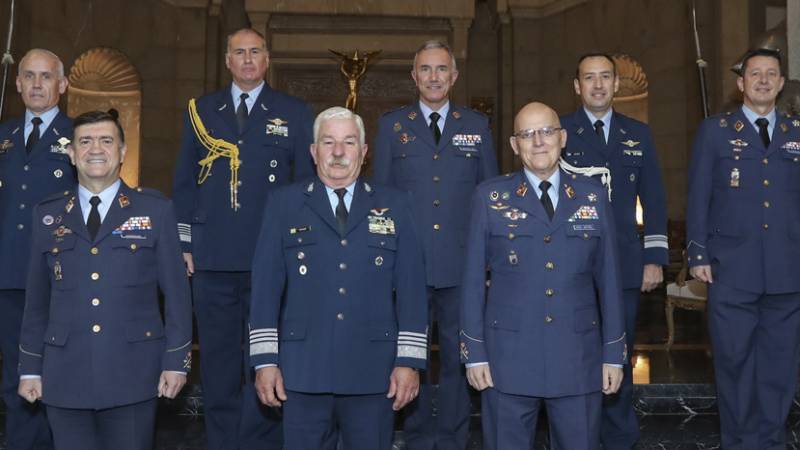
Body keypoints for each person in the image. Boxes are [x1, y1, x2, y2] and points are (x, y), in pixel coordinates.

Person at [250, 106, 428, 450]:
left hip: (374, 372)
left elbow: (412, 289)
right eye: (328, 142)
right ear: (313, 151)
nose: (338, 151)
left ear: (364, 151)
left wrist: (409, 362)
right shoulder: (284, 204)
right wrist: (265, 361)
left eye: (349, 142)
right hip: (302, 371)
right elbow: (265, 289)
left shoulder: (396, 204)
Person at [172, 27, 315, 449]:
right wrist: (184, 244)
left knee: (265, 363)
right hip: (212, 259)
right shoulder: (200, 110)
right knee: (217, 364)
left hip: (270, 261)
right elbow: (184, 183)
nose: (248, 59)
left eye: (255, 52)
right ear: (228, 61)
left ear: (267, 60)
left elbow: (304, 187)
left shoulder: (293, 112)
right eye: (240, 52)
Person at [16, 110, 192, 450]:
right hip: (64, 375)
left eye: (106, 140)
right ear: (71, 154)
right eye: (85, 141)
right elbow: (36, 301)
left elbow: (177, 297)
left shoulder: (155, 211)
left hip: (134, 374)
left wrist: (176, 362)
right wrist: (30, 368)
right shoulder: (47, 215)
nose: (95, 149)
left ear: (123, 151)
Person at [460, 102, 625, 450]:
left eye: (547, 131)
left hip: (578, 357)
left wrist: (613, 354)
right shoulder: (489, 198)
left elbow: (610, 281)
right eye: (527, 134)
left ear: (562, 137)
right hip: (507, 360)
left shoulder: (593, 196)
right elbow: (472, 282)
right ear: (514, 144)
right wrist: (474, 353)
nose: (538, 142)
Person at [372, 40, 498, 450]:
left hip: (462, 267)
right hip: (408, 266)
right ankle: (418, 436)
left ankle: (452, 438)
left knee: (461, 359)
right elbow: (380, 200)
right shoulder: (392, 126)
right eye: (425, 69)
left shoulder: (476, 126)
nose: (433, 77)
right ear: (414, 76)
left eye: (441, 69)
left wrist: (490, 260)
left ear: (454, 76)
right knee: (413, 356)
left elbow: (490, 198)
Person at [686, 48, 800, 449]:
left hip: (787, 272)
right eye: (755, 74)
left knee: (779, 368)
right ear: (741, 83)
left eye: (771, 74)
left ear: (781, 83)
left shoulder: (796, 133)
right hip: (731, 270)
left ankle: (770, 442)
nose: (763, 80)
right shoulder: (715, 131)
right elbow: (698, 196)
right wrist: (697, 253)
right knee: (734, 366)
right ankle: (738, 443)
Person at [560, 52, 667, 449]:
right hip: (572, 267)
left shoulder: (638, 134)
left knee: (619, 351)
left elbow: (654, 199)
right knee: (574, 352)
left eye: (605, 77)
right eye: (589, 78)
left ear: (617, 84)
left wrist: (653, 259)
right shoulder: (559, 131)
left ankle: (620, 438)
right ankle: (577, 435)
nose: (598, 84)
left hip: (624, 264)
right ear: (577, 86)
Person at [0, 48, 75, 450]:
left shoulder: (80, 134)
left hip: (59, 275)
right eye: (29, 75)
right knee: (15, 372)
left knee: (56, 370)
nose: (36, 84)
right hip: (9, 273)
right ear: (17, 83)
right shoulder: (4, 136)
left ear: (62, 85)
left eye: (46, 76)